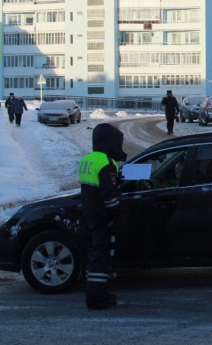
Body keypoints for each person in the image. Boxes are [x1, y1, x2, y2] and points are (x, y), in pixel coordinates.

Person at [79, 123, 127, 310]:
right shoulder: (106, 163)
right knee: (100, 257)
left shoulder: (88, 159)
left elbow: (94, 187)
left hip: (90, 214)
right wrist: (116, 216)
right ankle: (96, 298)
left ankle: (98, 292)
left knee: (94, 256)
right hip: (101, 217)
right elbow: (109, 197)